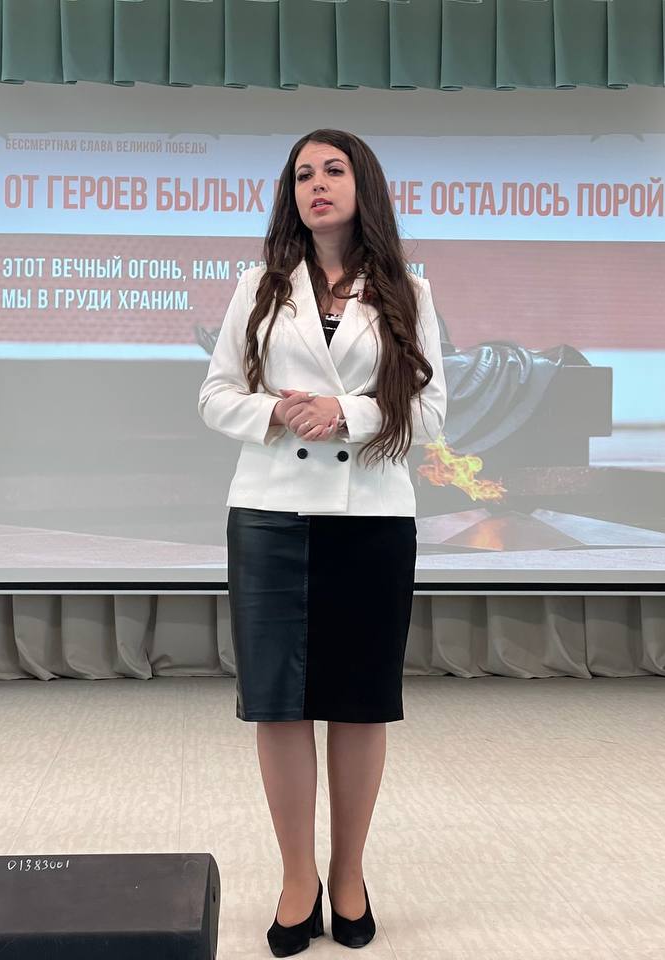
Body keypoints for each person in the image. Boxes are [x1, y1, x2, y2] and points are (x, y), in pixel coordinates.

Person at [196, 129, 447, 956]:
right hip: (270, 513)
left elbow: (432, 414)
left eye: (333, 170)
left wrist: (349, 413)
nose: (317, 184)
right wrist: (276, 410)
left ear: (361, 184)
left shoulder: (409, 290)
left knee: (360, 701)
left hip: (372, 515)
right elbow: (214, 396)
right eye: (303, 174)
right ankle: (297, 877)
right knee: (278, 701)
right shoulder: (258, 287)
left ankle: (349, 874)